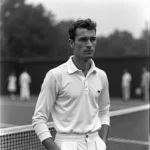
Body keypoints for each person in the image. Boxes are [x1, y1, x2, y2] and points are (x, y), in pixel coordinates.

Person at [32, 18, 110, 150]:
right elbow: (38, 119)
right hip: (67, 143)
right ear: (71, 43)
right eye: (83, 39)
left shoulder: (101, 76)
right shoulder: (55, 75)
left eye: (93, 39)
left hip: (96, 143)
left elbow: (104, 111)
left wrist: (102, 142)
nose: (89, 44)